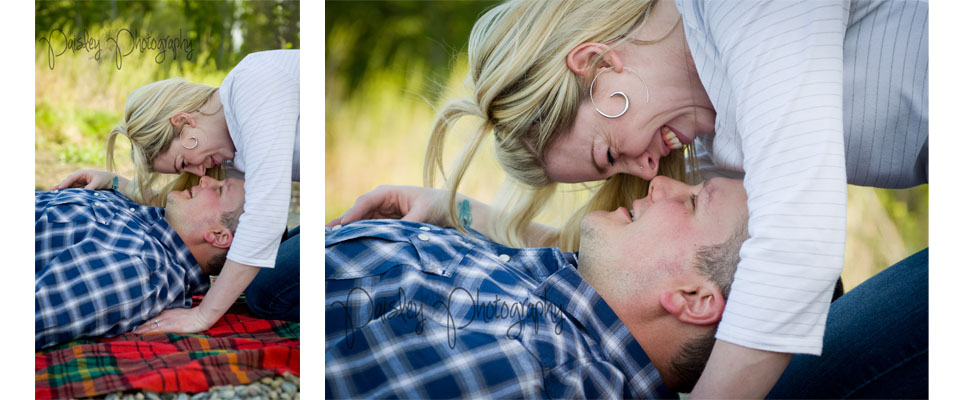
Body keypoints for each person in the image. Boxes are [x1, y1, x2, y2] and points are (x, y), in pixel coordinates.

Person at [332, 0, 928, 397]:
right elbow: (636, 262)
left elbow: (797, 248)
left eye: (607, 155)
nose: (648, 172)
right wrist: (458, 212)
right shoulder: (714, 129)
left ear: (596, 65)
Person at [327, 176, 748, 398]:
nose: (660, 183)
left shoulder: (533, 372)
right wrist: (454, 209)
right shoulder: (562, 301)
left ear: (693, 299)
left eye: (694, 201)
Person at [53, 49, 300, 326]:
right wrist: (114, 182)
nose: (200, 173)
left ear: (184, 123)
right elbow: (197, 207)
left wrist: (203, 314)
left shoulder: (252, 85)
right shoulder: (235, 149)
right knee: (273, 264)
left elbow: (265, 217)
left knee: (267, 289)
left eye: (183, 162)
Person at [36, 177, 244, 349]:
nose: (205, 179)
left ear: (218, 236)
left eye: (219, 190)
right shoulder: (148, 220)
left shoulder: (139, 269)